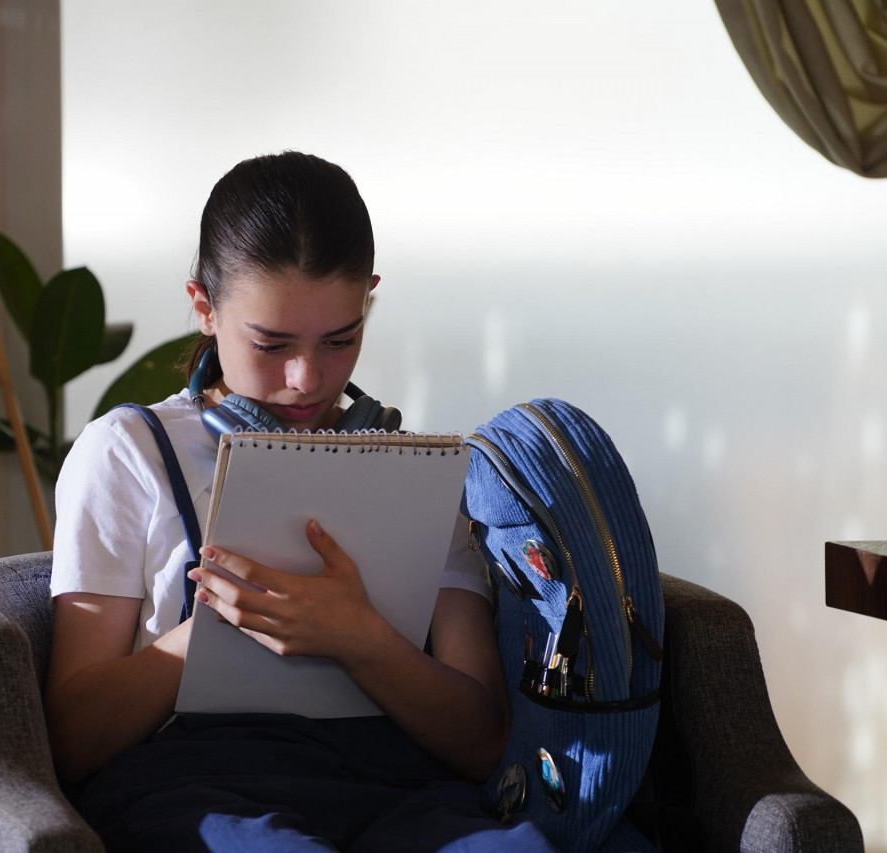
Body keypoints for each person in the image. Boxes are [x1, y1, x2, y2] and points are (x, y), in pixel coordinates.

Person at [45, 151, 555, 852]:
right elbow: (71, 740)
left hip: (397, 787)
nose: (306, 379)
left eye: (340, 340)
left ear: (368, 299)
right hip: (195, 789)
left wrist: (359, 638)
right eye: (271, 343)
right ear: (204, 306)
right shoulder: (129, 452)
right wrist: (212, 632)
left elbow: (481, 742)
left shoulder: (412, 468)